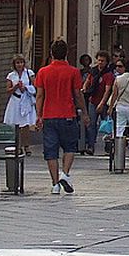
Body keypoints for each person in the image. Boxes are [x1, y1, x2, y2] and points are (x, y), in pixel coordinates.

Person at [35, 40, 88, 195]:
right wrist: (84, 112)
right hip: (68, 115)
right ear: (66, 53)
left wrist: (38, 115)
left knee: (50, 151)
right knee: (70, 147)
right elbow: (77, 94)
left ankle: (54, 184)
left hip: (49, 115)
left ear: (51, 53)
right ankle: (65, 173)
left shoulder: (43, 72)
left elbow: (39, 95)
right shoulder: (73, 72)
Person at [80, 51, 114, 156]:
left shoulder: (108, 74)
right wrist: (85, 87)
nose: (100, 63)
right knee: (91, 124)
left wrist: (102, 103)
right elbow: (87, 81)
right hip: (92, 100)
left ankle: (108, 146)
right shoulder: (93, 71)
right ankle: (90, 145)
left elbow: (107, 90)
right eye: (99, 60)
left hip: (103, 103)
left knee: (107, 124)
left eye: (102, 61)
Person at [3, 54, 37, 156]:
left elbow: (35, 86)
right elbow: (8, 90)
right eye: (17, 63)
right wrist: (16, 87)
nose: (19, 65)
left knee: (25, 125)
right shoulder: (11, 76)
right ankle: (18, 146)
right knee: (16, 125)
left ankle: (26, 146)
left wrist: (26, 88)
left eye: (21, 62)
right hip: (15, 100)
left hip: (25, 99)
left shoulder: (29, 73)